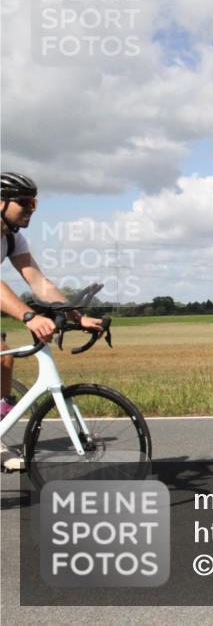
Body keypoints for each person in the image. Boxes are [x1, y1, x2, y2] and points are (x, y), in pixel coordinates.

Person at [1, 172, 105, 470]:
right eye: (25, 202)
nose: (31, 209)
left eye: (34, 202)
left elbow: (39, 282)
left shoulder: (12, 238)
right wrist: (28, 316)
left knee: (5, 360)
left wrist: (75, 314)